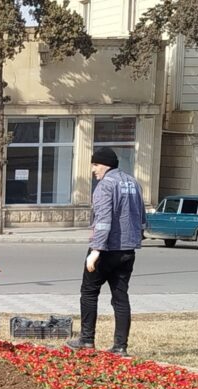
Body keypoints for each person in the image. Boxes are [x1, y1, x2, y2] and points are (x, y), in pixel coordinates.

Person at [66, 147, 144, 357]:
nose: (93, 170)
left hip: (106, 249)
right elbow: (142, 217)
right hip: (128, 250)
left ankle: (86, 340)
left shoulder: (105, 186)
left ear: (104, 165)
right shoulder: (133, 183)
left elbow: (103, 221)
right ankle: (120, 347)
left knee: (89, 292)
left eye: (95, 165)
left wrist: (95, 251)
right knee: (120, 297)